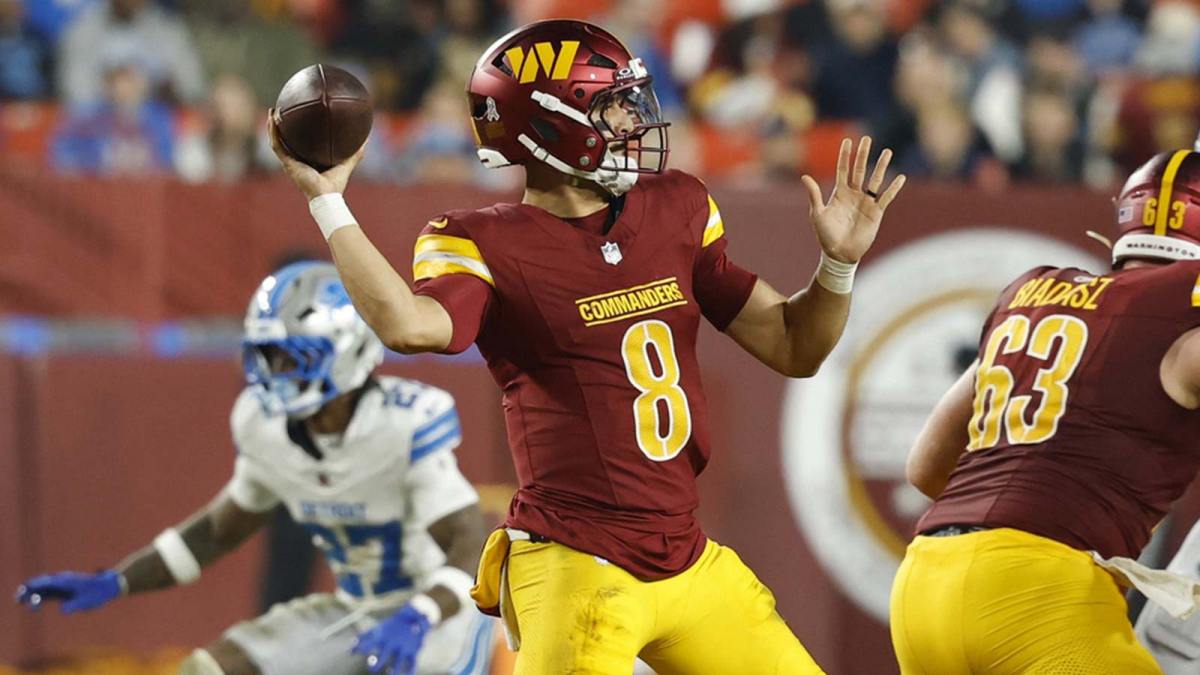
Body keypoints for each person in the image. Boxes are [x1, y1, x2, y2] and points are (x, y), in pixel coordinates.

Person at [269, 18, 905, 675]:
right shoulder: (487, 240)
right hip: (577, 561)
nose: (633, 121)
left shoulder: (676, 207)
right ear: (548, 124)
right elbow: (410, 324)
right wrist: (329, 202)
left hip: (686, 554)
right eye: (612, 105)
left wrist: (837, 267)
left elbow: (796, 346)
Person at [16, 262, 493, 675]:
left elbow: (468, 543)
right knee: (210, 669)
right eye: (268, 356)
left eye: (292, 357)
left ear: (347, 351)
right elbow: (215, 533)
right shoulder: (263, 425)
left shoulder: (405, 422)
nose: (275, 371)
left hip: (436, 617)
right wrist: (117, 580)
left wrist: (420, 615)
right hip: (354, 611)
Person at [893, 149, 1200, 673]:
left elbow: (926, 467)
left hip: (923, 587)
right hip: (1040, 599)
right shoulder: (1181, 316)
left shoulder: (1031, 293)